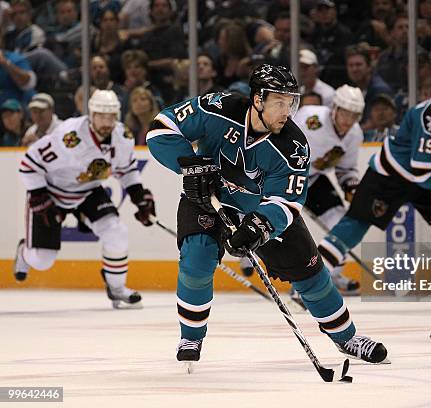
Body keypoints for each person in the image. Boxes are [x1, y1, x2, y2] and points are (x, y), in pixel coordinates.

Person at [146, 64, 388, 366]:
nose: (286, 112)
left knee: (310, 274)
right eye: (279, 103)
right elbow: (160, 128)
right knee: (196, 260)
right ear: (258, 100)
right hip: (208, 198)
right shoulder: (218, 107)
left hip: (259, 210)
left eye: (291, 103)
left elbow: (286, 201)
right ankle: (191, 336)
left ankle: (346, 337)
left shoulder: (293, 147)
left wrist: (259, 226)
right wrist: (190, 164)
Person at [318, 68, 431, 300]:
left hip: (427, 178)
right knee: (355, 224)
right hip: (391, 175)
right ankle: (311, 282)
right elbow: (421, 169)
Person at [13, 90, 156, 309]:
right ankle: (25, 252)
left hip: (88, 191)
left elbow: (126, 170)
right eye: (101, 115)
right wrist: (39, 196)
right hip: (51, 193)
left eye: (111, 116)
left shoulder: (123, 137)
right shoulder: (69, 136)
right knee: (42, 260)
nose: (107, 122)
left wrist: (139, 196)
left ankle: (117, 289)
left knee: (116, 232)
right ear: (91, 114)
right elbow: (29, 164)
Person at [291, 84, 365, 294]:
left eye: (354, 115)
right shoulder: (310, 118)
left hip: (313, 179)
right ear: (335, 108)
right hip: (281, 177)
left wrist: (351, 186)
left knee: (340, 222)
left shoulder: (354, 134)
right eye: (345, 114)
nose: (348, 121)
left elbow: (345, 169)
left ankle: (331, 276)